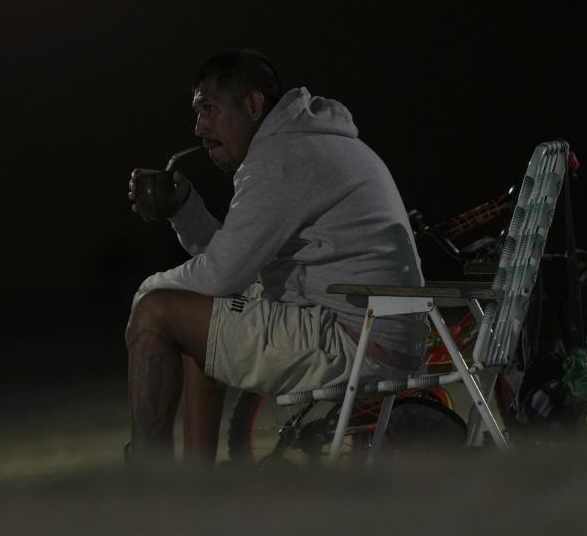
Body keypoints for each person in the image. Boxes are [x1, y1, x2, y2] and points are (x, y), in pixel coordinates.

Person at [124, 49, 426, 464]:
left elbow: (219, 276)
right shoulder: (304, 141)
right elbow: (233, 264)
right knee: (193, 319)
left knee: (157, 312)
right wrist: (184, 209)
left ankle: (147, 472)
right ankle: (196, 482)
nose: (198, 127)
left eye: (209, 109)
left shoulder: (280, 157)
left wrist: (146, 296)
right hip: (373, 332)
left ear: (252, 104)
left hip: (354, 341)